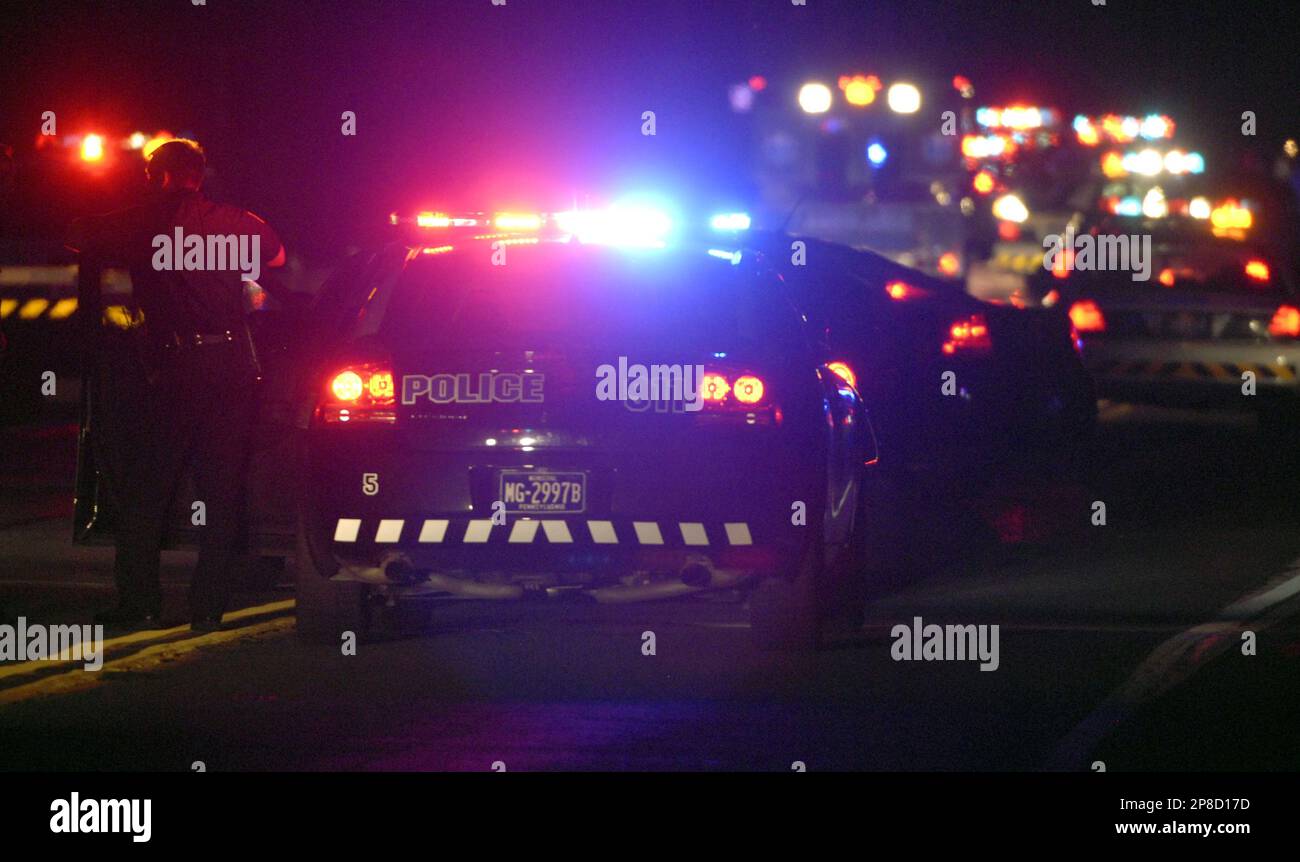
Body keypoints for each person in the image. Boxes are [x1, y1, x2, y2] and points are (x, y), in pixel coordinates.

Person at [68, 139, 286, 632]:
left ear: (158, 175)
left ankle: (141, 603)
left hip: (172, 372)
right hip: (231, 369)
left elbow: (78, 236)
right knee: (223, 491)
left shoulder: (137, 220)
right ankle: (208, 608)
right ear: (200, 174)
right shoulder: (238, 222)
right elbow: (276, 260)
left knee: (146, 492)